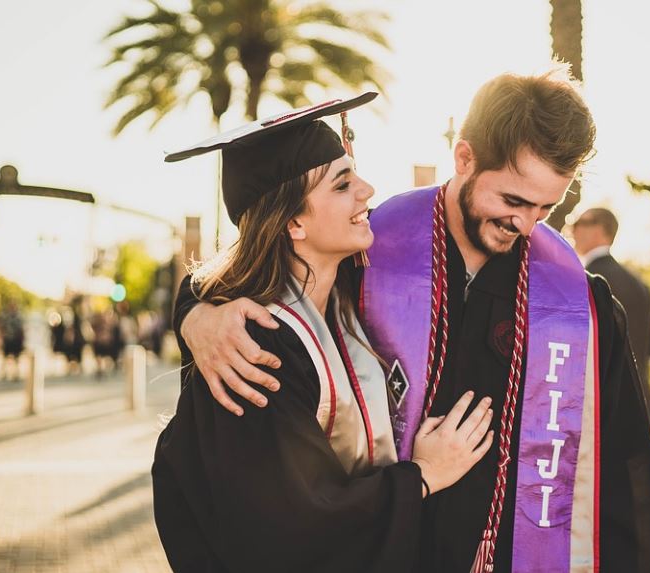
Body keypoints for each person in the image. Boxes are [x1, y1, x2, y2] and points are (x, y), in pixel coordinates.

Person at [177, 70, 650, 572]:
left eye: (546, 207)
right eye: (512, 201)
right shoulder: (370, 251)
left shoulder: (578, 303)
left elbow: (623, 476)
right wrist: (195, 314)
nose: (525, 224)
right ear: (464, 158)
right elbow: (257, 268)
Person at [152, 94, 495, 573]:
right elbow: (293, 524)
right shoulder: (255, 347)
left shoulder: (350, 293)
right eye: (342, 185)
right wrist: (422, 477)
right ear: (294, 221)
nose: (368, 191)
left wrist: (192, 311)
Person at [572, 207, 650, 425]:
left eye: (579, 222)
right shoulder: (640, 285)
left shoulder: (584, 281)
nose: (572, 229)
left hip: (599, 410)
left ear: (599, 230)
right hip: (638, 405)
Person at [0, 302, 24, 381]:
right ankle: (4, 373)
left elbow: (21, 330)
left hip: (15, 340)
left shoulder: (18, 317)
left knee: (16, 358)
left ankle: (15, 374)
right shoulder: (6, 317)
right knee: (5, 358)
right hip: (8, 339)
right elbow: (2, 327)